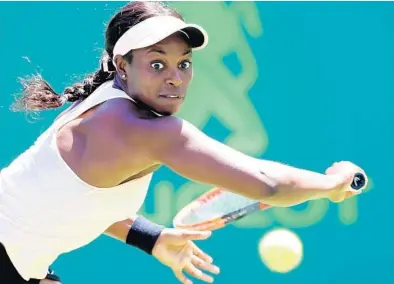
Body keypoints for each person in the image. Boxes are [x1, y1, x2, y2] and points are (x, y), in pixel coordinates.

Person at [0, 1, 367, 284]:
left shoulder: (102, 103)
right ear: (122, 65)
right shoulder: (143, 129)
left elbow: (72, 204)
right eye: (157, 64)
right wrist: (331, 184)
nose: (175, 78)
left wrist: (152, 238)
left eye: (184, 64)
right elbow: (268, 184)